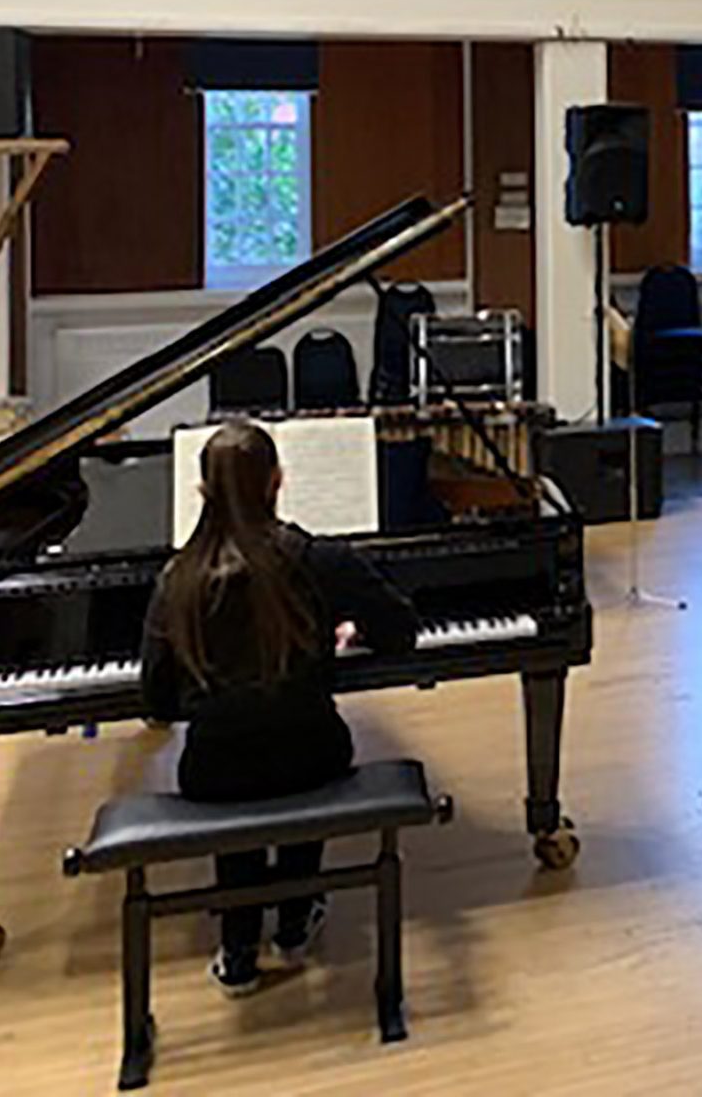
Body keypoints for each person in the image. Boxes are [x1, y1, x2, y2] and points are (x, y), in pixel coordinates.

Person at [140, 420, 418, 996]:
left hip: (214, 772)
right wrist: (352, 630)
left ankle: (238, 947)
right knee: (301, 744)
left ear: (201, 491)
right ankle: (294, 922)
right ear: (277, 482)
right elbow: (400, 630)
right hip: (312, 754)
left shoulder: (176, 579)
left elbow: (157, 699)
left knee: (231, 765)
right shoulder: (320, 559)